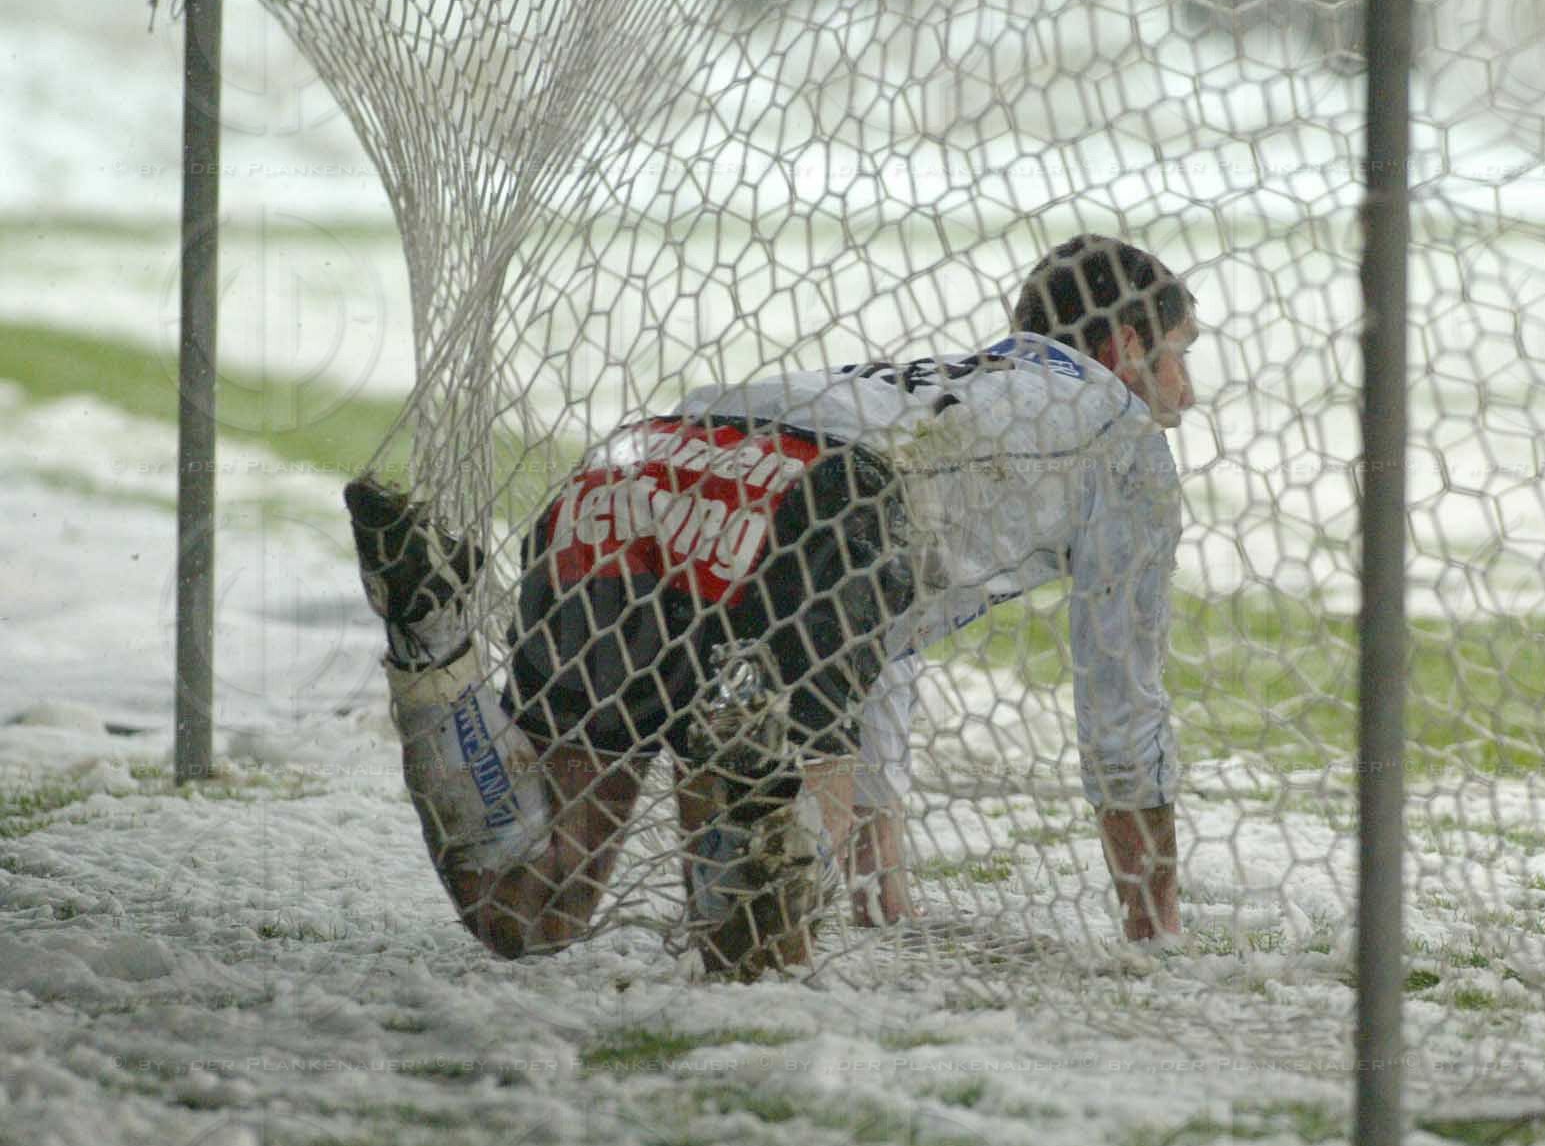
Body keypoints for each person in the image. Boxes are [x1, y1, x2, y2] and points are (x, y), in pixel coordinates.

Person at [346, 233, 1198, 980]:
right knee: (754, 957)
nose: (1186, 393)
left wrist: (878, 874)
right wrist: (1153, 931)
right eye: (1179, 355)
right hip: (812, 513)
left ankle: (435, 649)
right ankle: (749, 760)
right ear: (1126, 346)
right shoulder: (1117, 436)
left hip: (639, 468)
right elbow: (1120, 713)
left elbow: (886, 639)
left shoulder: (936, 392)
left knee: (529, 911)